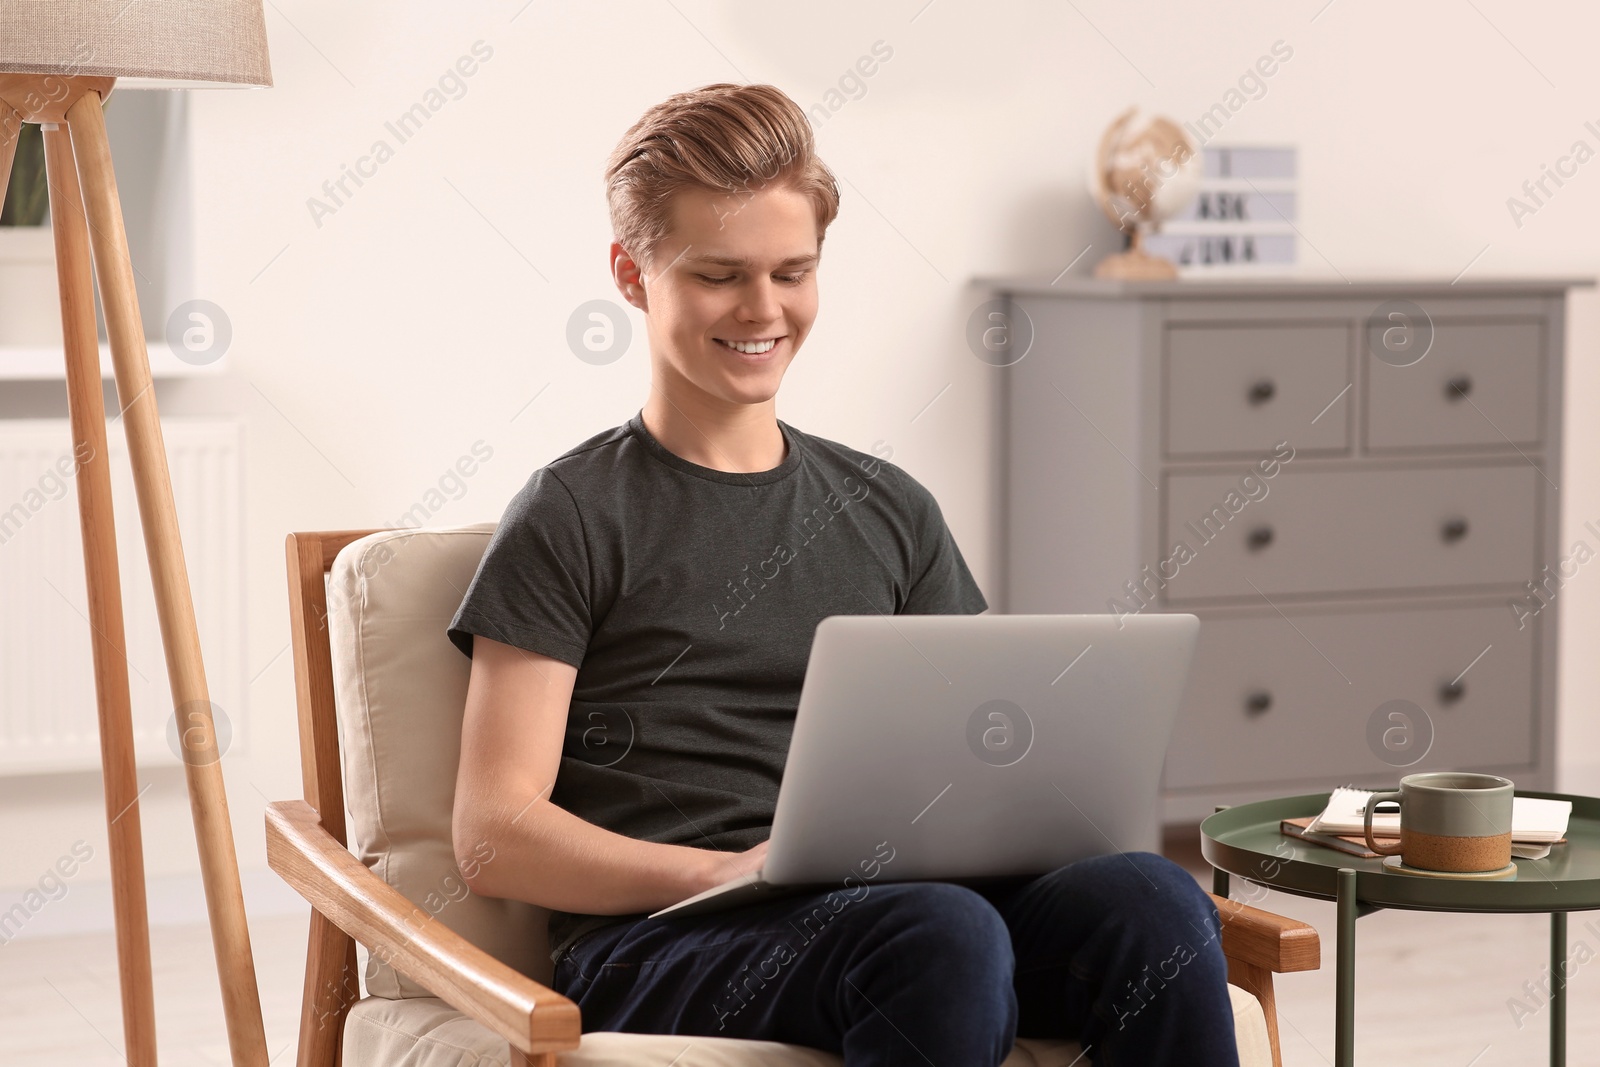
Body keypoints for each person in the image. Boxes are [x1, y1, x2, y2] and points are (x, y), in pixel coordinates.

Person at [446, 82, 1239, 1066]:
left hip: (905, 910)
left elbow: (986, 752)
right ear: (630, 271)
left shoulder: (887, 508)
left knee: (1152, 898)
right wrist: (721, 870)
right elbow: (492, 834)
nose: (762, 308)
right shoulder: (570, 512)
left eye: (792, 270)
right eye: (718, 274)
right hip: (670, 937)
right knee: (940, 933)